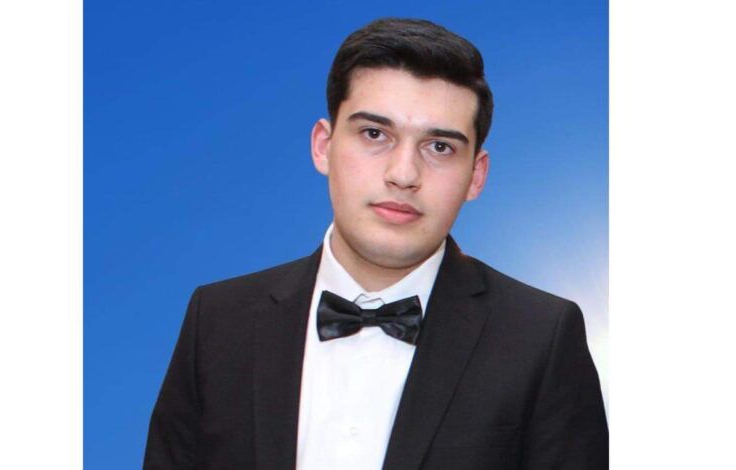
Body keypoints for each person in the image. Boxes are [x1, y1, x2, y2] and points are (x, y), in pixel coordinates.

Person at [143, 17, 608, 470]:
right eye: (374, 134)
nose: (403, 174)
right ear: (323, 145)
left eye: (440, 147)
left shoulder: (541, 337)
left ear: (476, 175)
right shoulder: (218, 321)